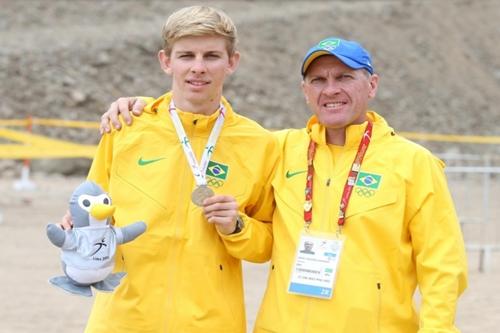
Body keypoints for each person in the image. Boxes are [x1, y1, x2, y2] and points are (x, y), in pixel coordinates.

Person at [101, 37, 468, 332]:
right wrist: (143, 109)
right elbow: (202, 131)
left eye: (344, 77)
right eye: (318, 80)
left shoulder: (414, 163)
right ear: (305, 90)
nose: (330, 89)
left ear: (371, 85)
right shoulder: (277, 148)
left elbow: (442, 265)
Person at [66, 5, 280, 333]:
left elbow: (265, 245)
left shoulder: (259, 143)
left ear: (232, 62)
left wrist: (236, 225)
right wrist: (74, 232)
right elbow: (89, 210)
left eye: (211, 56)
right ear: (166, 61)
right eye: (186, 56)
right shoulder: (126, 126)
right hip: (124, 318)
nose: (198, 68)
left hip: (210, 322)